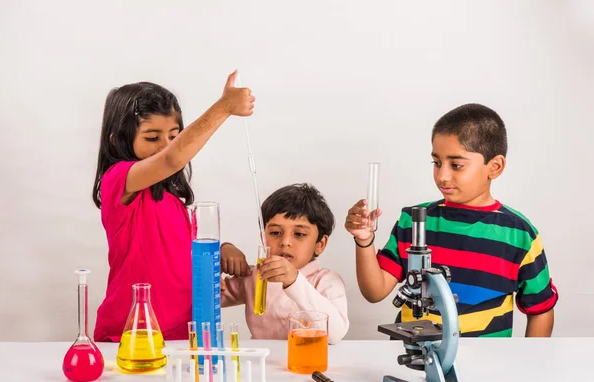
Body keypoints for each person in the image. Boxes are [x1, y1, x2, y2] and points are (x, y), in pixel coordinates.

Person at [345, 103, 558, 337]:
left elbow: (540, 310)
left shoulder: (519, 234)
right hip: (414, 359)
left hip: (490, 364)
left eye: (456, 165)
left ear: (494, 167)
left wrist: (528, 365)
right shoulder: (413, 221)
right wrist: (364, 241)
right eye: (436, 163)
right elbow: (374, 292)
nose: (442, 176)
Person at [92, 72, 254, 341]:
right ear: (117, 139)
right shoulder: (120, 180)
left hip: (183, 334)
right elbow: (172, 159)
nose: (165, 146)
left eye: (174, 136)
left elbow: (178, 253)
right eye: (152, 138)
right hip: (132, 337)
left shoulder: (172, 202)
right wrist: (224, 106)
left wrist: (223, 248)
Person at [221, 183, 349, 344]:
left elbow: (335, 334)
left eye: (300, 234)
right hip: (261, 364)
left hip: (306, 365)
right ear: (263, 238)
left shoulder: (327, 281)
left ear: (320, 244)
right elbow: (202, 299)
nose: (285, 242)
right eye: (275, 233)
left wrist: (294, 281)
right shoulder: (254, 276)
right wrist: (219, 255)